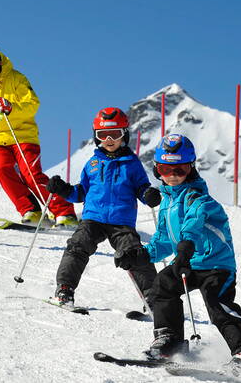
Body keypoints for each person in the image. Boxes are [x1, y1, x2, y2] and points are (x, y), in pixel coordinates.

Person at [141, 133, 241, 369]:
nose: (171, 176)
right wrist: (141, 255)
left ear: (191, 168)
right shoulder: (167, 203)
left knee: (217, 304)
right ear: (156, 170)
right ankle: (170, 340)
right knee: (162, 285)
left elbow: (193, 225)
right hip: (189, 262)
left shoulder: (199, 198)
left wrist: (185, 249)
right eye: (164, 169)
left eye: (179, 170)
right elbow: (162, 241)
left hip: (216, 265)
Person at [46, 107, 160, 307]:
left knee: (134, 254)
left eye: (114, 134)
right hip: (93, 218)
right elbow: (80, 193)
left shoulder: (132, 164)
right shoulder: (92, 163)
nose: (109, 139)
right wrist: (62, 189)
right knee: (78, 245)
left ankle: (153, 297)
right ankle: (65, 289)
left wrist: (148, 195)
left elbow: (141, 188)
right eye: (103, 134)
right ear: (96, 137)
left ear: (124, 134)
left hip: (121, 221)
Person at [0, 44, 76, 227]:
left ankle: (64, 212)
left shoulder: (16, 79)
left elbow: (32, 104)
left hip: (22, 135)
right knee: (1, 170)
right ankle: (30, 210)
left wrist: (11, 108)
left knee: (30, 174)